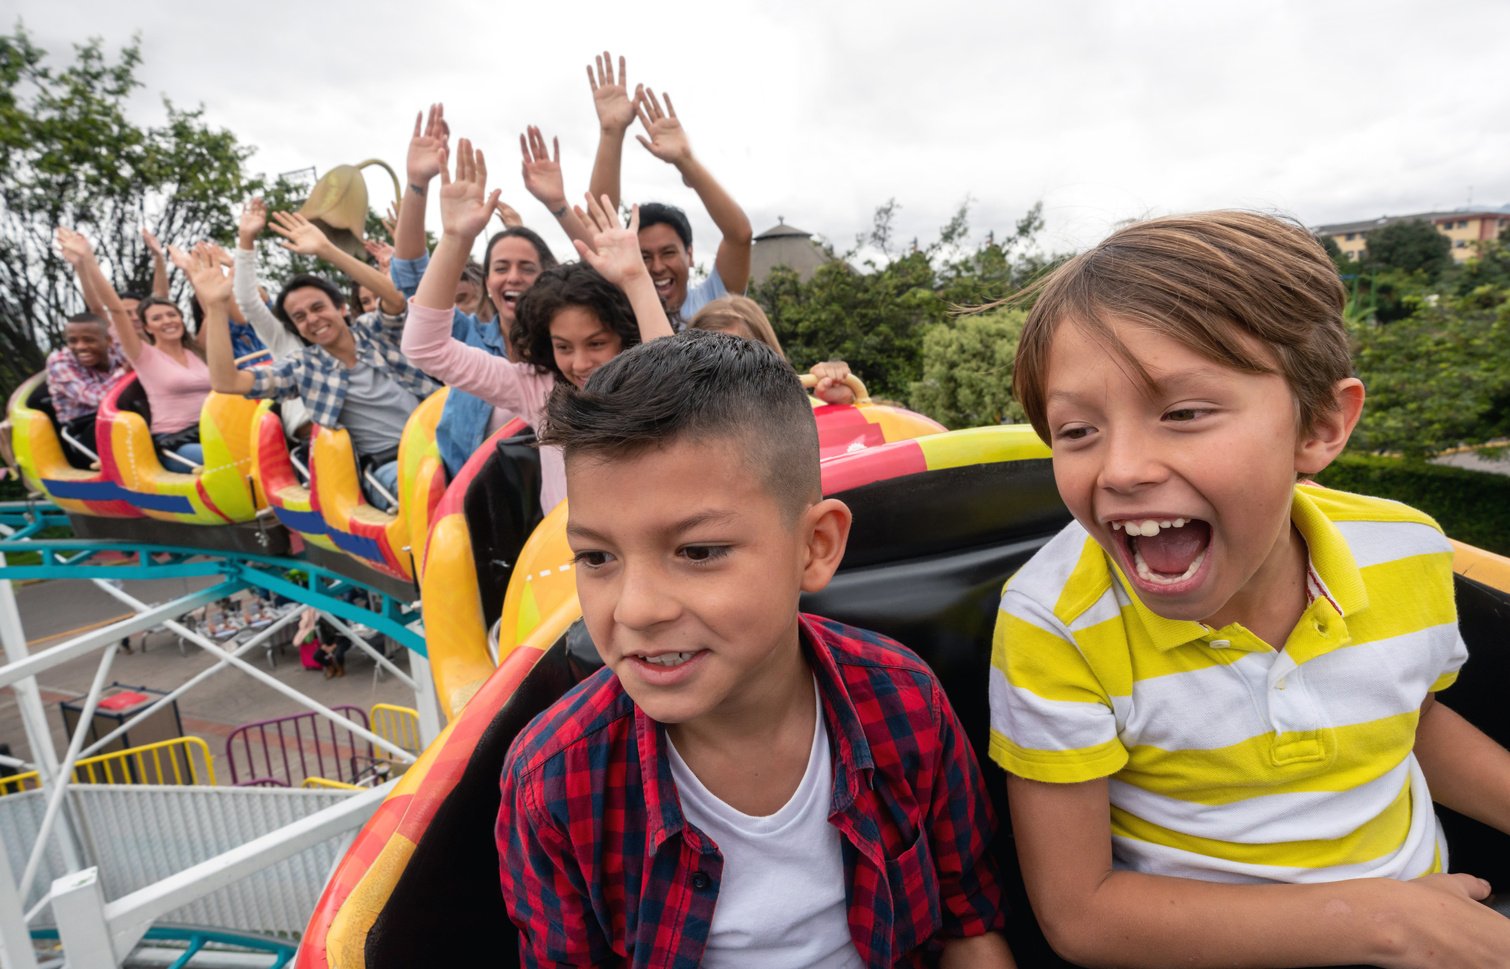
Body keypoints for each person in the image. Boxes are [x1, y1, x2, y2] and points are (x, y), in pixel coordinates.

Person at [987, 210, 1510, 967]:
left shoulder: (1406, 552)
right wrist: (1385, 919)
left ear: (1321, 425)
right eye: (1077, 431)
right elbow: (1082, 912)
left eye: (1184, 413)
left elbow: (1406, 720)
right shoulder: (1055, 622)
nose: (1122, 468)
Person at [498, 330, 1015, 966]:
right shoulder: (555, 782)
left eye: (698, 552)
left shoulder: (904, 703)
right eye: (597, 557)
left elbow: (969, 923)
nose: (635, 608)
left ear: (816, 546)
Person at [401, 139, 673, 513]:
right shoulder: (539, 389)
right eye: (564, 347)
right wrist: (455, 238)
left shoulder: (648, 387)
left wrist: (636, 279)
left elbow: (675, 375)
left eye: (596, 344)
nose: (579, 363)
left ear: (624, 339)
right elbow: (424, 348)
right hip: (561, 562)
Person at [193, 212, 437, 510]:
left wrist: (326, 250)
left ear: (342, 308)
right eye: (300, 317)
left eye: (318, 307)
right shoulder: (303, 367)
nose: (312, 319)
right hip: (390, 464)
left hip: (438, 438)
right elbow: (226, 381)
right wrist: (217, 306)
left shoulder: (373, 331)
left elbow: (395, 299)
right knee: (433, 492)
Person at [390, 106, 567, 478]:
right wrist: (418, 186)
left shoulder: (569, 351)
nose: (513, 277)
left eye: (527, 268)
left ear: (547, 276)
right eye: (501, 268)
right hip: (472, 495)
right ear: (487, 282)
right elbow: (410, 275)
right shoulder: (466, 335)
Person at [585, 52, 753, 326]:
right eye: (644, 256)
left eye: (669, 252)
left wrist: (685, 161)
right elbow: (597, 225)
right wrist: (611, 133)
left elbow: (740, 236)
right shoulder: (622, 311)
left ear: (690, 255)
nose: (657, 267)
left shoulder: (715, 304)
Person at [57, 227, 211, 470]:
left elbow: (212, 309)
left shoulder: (198, 350)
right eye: (157, 318)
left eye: (172, 314)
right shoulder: (144, 354)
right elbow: (113, 309)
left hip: (214, 430)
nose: (167, 321)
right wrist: (88, 261)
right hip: (177, 440)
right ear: (147, 327)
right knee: (219, 456)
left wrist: (192, 272)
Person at [690, 295, 858, 405]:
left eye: (736, 358)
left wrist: (842, 402)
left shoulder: (800, 411)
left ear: (770, 361)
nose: (719, 378)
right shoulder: (679, 427)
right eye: (705, 364)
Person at [44, 313, 128, 468]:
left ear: (108, 340)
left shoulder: (116, 351)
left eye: (89, 340)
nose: (80, 346)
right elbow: (94, 397)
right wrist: (125, 372)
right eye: (72, 341)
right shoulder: (60, 361)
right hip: (83, 431)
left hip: (123, 418)